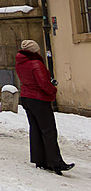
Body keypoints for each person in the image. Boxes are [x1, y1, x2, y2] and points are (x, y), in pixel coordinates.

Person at [15, 40, 74, 175]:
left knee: (35, 129)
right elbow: (43, 84)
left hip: (26, 98)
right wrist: (53, 91)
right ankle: (55, 162)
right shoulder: (36, 64)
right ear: (35, 51)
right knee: (49, 131)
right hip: (39, 99)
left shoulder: (21, 63)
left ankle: (40, 160)